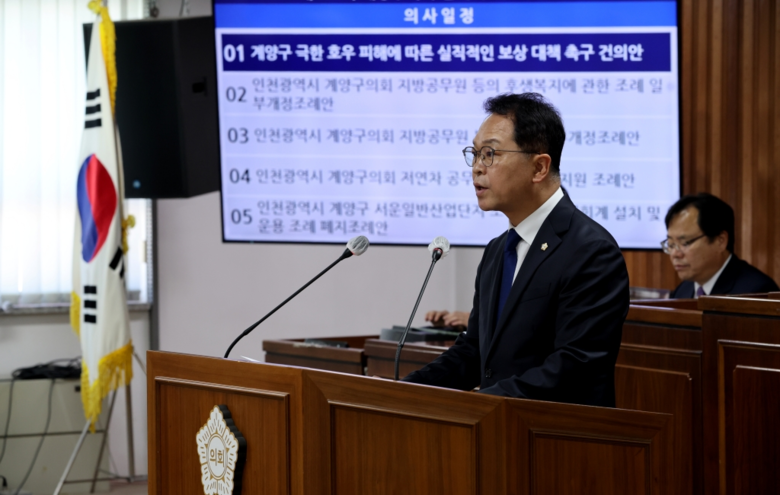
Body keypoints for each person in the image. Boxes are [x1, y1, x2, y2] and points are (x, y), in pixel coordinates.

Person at [402, 93, 629, 407]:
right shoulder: (498, 250)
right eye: (475, 154)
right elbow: (474, 351)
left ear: (539, 167)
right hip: (499, 424)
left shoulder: (591, 252)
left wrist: (483, 402)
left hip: (555, 432)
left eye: (490, 154)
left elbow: (576, 364)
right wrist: (404, 390)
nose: (476, 168)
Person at [665, 193, 778, 298]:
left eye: (685, 243)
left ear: (721, 241)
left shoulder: (757, 292)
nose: (675, 254)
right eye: (671, 244)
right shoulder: (682, 290)